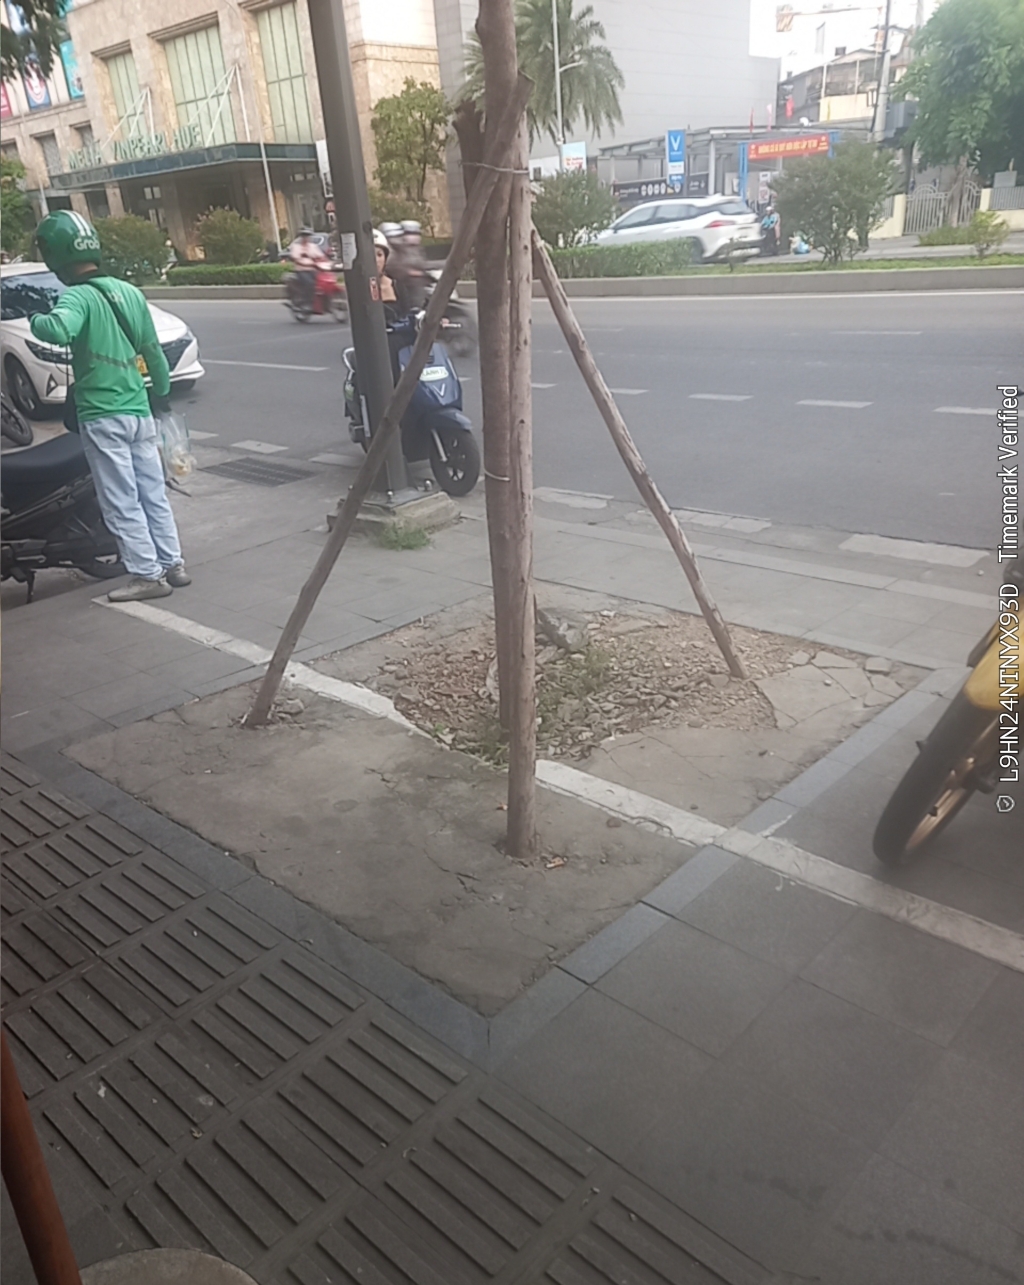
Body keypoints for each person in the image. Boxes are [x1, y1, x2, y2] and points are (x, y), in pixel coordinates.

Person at [30, 210, 189, 602]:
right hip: (139, 412)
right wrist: (160, 394)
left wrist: (35, 318)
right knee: (153, 492)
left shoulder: (78, 296)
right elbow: (153, 352)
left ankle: (147, 575)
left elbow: (58, 329)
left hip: (103, 416)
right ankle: (173, 563)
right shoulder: (129, 292)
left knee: (121, 501)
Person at [383, 220, 428, 314]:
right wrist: (408, 272)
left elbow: (421, 263)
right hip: (402, 285)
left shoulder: (408, 249)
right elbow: (392, 266)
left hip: (416, 283)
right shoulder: (388, 250)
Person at [290, 228, 328, 308]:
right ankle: (308, 302)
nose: (306, 238)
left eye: (307, 236)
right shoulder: (296, 247)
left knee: (323, 282)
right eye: (304, 236)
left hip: (313, 270)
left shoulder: (313, 246)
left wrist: (325, 261)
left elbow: (321, 256)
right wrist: (307, 263)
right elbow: (296, 259)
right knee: (310, 283)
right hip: (302, 271)